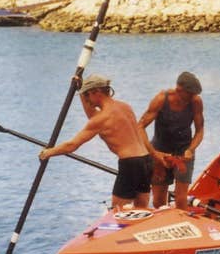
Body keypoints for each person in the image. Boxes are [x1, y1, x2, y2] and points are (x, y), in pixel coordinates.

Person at [38, 74, 163, 210]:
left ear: (96, 92)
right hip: (145, 160)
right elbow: (93, 117)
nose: (87, 100)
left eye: (87, 96)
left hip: (130, 164)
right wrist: (80, 91)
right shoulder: (125, 107)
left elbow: (71, 145)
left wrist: (47, 153)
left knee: (117, 211)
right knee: (141, 209)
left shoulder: (102, 118)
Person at [138, 71, 205, 208]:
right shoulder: (161, 99)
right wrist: (153, 153)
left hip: (183, 152)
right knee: (158, 200)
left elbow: (199, 131)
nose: (194, 96)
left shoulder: (196, 102)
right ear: (179, 90)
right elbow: (140, 127)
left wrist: (191, 149)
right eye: (191, 94)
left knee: (181, 199)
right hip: (160, 151)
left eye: (195, 94)